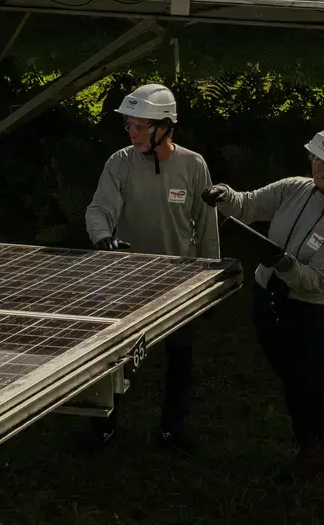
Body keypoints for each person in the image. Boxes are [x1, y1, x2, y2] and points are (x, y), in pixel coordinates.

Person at [204, 125, 324, 523]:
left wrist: (283, 263)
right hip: (270, 300)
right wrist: (225, 196)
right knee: (293, 383)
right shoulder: (296, 187)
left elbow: (320, 281)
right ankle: (310, 451)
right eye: (316, 157)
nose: (318, 167)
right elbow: (248, 204)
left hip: (316, 313)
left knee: (320, 398)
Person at [82, 81, 219, 450]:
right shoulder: (119, 163)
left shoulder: (193, 165)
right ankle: (104, 431)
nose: (132, 133)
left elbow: (206, 221)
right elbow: (100, 208)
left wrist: (211, 279)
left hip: (179, 282)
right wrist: (102, 237)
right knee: (114, 361)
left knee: (180, 360)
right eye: (128, 125)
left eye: (140, 126)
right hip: (127, 280)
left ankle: (172, 431)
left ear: (164, 127)